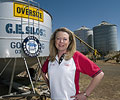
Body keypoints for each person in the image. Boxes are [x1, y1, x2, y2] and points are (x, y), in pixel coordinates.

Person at [41, 27, 104, 100]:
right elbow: (43, 72)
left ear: (70, 41)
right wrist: (50, 86)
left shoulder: (76, 56)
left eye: (65, 39)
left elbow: (99, 74)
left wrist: (86, 94)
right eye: (58, 38)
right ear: (54, 41)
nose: (61, 41)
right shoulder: (50, 58)